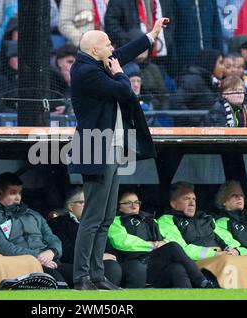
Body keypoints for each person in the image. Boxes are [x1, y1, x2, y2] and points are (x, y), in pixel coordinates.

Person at [68, 18, 167, 290]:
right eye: (108, 44)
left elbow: (121, 55)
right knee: (92, 218)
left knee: (107, 217)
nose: (112, 48)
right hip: (95, 149)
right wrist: (122, 73)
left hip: (109, 149)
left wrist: (151, 36)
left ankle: (98, 277)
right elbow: (123, 90)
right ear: (94, 50)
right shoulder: (85, 71)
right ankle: (81, 278)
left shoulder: (97, 63)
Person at [157, 182, 247, 288]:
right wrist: (215, 254)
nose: (192, 203)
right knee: (227, 261)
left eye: (194, 199)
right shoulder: (166, 220)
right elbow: (181, 250)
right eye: (186, 199)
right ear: (173, 203)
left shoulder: (206, 218)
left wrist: (235, 251)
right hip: (196, 265)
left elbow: (229, 242)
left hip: (221, 257)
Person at [0, 172, 73, 287]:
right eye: (13, 193)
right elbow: (2, 247)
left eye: (19, 192)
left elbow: (52, 238)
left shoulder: (33, 214)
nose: (18, 197)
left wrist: (52, 251)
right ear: (0, 193)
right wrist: (39, 257)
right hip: (21, 265)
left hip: (51, 261)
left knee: (82, 276)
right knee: (59, 283)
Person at [108, 190, 215, 288]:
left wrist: (163, 243)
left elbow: (167, 238)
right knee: (172, 247)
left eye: (136, 202)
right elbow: (122, 242)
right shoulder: (115, 221)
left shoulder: (150, 220)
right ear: (118, 206)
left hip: (152, 263)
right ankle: (201, 281)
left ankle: (190, 295)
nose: (134, 206)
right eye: (128, 203)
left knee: (177, 267)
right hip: (131, 262)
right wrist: (152, 245)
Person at [48, 186, 122, 286]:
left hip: (98, 263)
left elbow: (107, 247)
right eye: (83, 202)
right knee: (110, 268)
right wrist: (96, 257)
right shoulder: (58, 223)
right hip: (73, 265)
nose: (89, 206)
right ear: (70, 206)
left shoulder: (97, 223)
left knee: (117, 266)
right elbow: (66, 251)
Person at [170, 49, 224, 126]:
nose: (223, 67)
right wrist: (199, 121)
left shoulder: (210, 80)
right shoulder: (193, 80)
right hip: (191, 132)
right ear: (210, 62)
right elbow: (176, 103)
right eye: (220, 63)